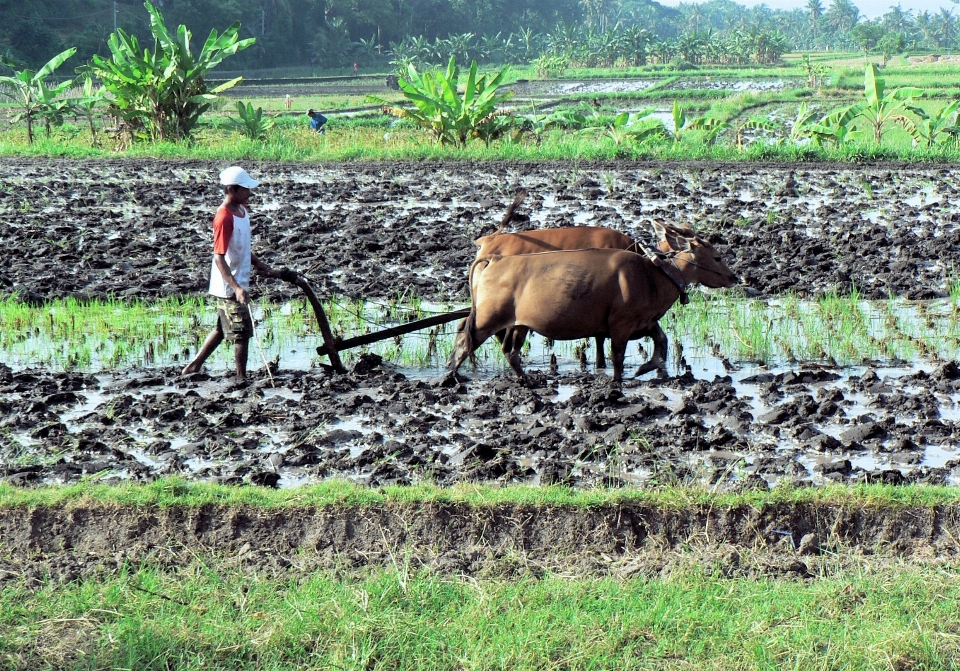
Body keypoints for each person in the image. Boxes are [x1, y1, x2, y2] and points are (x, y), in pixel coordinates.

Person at [181, 166, 282, 380]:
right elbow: (219, 257)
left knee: (221, 328)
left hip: (240, 277)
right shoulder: (224, 217)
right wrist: (236, 288)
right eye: (245, 189)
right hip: (228, 284)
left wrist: (259, 265)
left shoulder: (242, 211)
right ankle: (241, 377)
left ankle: (193, 367)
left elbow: (242, 246)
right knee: (242, 333)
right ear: (232, 190)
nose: (249, 193)